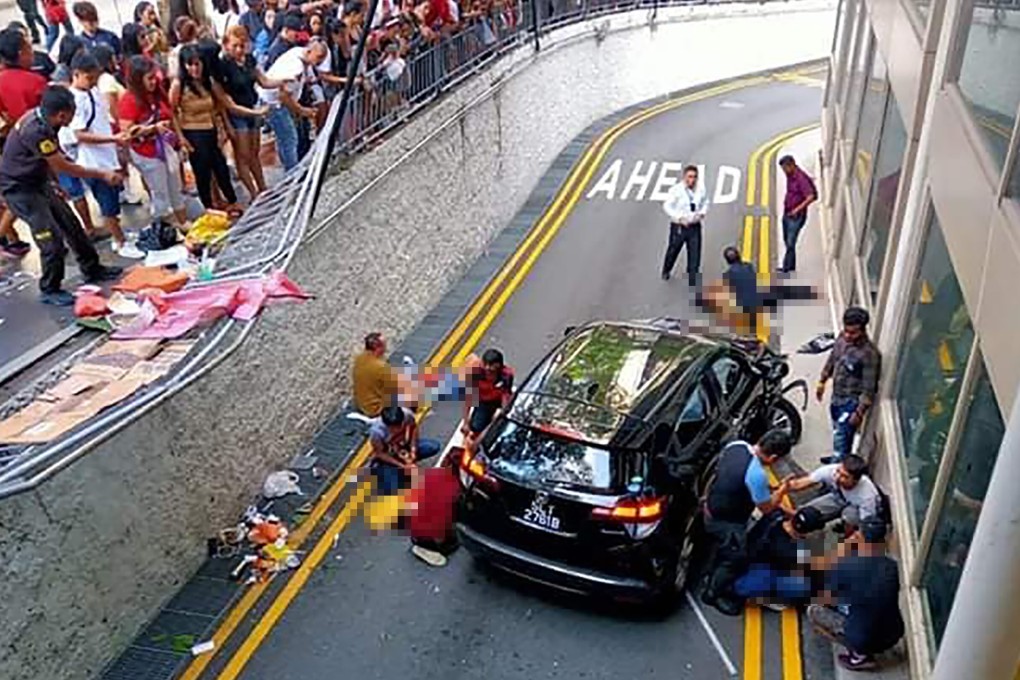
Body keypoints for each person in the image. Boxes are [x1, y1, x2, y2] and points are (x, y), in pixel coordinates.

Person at [0, 86, 123, 305]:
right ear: (62, 114)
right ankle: (50, 288)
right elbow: (63, 165)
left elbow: (52, 158)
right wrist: (102, 174)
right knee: (51, 238)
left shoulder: (46, 121)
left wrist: (55, 184)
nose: (73, 117)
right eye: (73, 112)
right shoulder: (36, 130)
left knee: (71, 225)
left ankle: (92, 268)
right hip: (19, 190)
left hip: (38, 182)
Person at [701, 429, 793, 615]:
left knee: (723, 549)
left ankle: (711, 572)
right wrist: (781, 491)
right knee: (734, 558)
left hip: (711, 507)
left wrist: (767, 488)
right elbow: (767, 508)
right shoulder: (756, 474)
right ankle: (712, 594)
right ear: (773, 457)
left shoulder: (736, 446)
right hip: (728, 522)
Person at [62, 53, 143, 258]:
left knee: (113, 198)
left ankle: (119, 234)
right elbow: (79, 134)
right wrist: (113, 140)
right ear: (76, 74)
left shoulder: (92, 92)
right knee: (106, 201)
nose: (93, 82)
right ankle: (120, 241)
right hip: (93, 161)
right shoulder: (76, 101)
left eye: (95, 77)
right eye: (89, 78)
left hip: (106, 155)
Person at [170, 44, 257, 214]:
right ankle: (209, 206)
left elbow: (220, 106)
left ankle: (231, 201)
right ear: (184, 66)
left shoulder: (207, 81)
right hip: (193, 131)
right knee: (202, 171)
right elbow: (172, 112)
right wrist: (181, 138)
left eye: (198, 64)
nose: (195, 69)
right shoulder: (179, 85)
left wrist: (222, 128)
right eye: (191, 65)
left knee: (221, 167)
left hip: (210, 128)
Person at [807, 521, 905, 671]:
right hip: (894, 633)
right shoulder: (892, 566)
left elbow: (824, 598)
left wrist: (845, 546)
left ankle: (858, 657)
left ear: (859, 537)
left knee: (814, 610)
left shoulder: (846, 565)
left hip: (863, 639)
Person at [119, 54, 189, 229]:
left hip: (166, 147)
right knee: (160, 192)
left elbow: (171, 115)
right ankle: (164, 228)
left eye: (154, 77)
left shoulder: (158, 92)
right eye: (149, 78)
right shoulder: (129, 101)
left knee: (175, 186)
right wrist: (152, 129)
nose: (154, 81)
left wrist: (181, 140)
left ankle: (183, 222)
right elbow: (127, 132)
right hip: (147, 153)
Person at [220, 25, 284, 199]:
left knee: (254, 152)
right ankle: (253, 192)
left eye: (242, 45)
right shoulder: (223, 65)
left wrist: (282, 80)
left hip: (253, 106)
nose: (239, 50)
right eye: (235, 46)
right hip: (238, 113)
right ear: (227, 45)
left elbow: (263, 80)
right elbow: (226, 102)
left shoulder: (249, 60)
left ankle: (262, 187)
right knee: (243, 155)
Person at [0, 26, 47, 257]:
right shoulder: (35, 81)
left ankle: (11, 237)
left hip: (12, 147)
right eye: (29, 48)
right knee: (25, 199)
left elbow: (4, 117)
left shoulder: (1, 81)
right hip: (35, 149)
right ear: (20, 53)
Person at [816, 307, 881, 463]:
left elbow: (869, 388)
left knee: (843, 437)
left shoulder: (869, 354)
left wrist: (858, 413)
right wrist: (822, 380)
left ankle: (836, 469)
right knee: (837, 431)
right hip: (836, 396)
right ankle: (837, 457)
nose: (847, 336)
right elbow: (833, 359)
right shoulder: (842, 339)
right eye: (846, 331)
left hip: (850, 403)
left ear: (863, 330)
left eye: (853, 333)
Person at [734, 506, 826, 609]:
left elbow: (778, 507)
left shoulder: (774, 515)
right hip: (762, 572)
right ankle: (771, 598)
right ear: (806, 532)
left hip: (745, 556)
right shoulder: (792, 552)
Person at [259, 40, 324, 171]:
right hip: (275, 104)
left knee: (286, 139)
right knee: (289, 139)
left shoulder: (300, 54)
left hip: (275, 101)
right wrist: (301, 110)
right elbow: (283, 96)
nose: (320, 62)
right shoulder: (296, 67)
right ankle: (292, 175)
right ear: (310, 51)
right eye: (319, 57)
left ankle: (291, 170)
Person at [783, 454, 885, 532]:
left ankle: (847, 531)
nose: (837, 477)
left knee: (849, 516)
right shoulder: (830, 471)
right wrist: (782, 488)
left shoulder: (867, 497)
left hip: (856, 509)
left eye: (844, 476)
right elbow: (801, 483)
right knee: (805, 512)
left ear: (856, 480)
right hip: (838, 498)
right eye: (838, 472)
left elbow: (866, 525)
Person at [368, 405, 441, 495]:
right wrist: (402, 465)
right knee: (389, 488)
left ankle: (405, 466)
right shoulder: (376, 432)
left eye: (399, 426)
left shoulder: (407, 414)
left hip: (403, 446)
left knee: (433, 447)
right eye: (393, 428)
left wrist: (413, 449)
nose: (397, 430)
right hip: (389, 454)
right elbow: (380, 453)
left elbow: (413, 428)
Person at [661, 164, 708, 286]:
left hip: (694, 226)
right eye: (689, 177)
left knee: (695, 253)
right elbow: (667, 206)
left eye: (694, 177)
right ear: (684, 177)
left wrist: (702, 213)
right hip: (679, 227)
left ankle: (693, 275)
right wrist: (679, 218)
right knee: (673, 250)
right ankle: (666, 270)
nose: (692, 180)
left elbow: (706, 201)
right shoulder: (676, 190)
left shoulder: (701, 189)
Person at [461, 348, 513, 449]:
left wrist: (502, 413)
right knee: (476, 426)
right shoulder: (476, 373)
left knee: (500, 427)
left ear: (499, 365)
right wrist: (465, 422)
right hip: (484, 401)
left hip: (498, 400)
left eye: (491, 366)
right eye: (486, 365)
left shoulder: (507, 375)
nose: (488, 368)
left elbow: (505, 395)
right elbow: (468, 398)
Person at [778, 155, 817, 274]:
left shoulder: (800, 178)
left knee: (790, 242)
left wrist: (797, 209)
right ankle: (791, 266)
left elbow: (811, 197)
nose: (783, 171)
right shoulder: (790, 175)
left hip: (796, 216)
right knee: (787, 240)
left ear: (791, 165)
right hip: (787, 212)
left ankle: (786, 268)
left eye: (784, 168)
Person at [352, 331, 399, 417]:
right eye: (385, 344)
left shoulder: (359, 358)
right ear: (379, 347)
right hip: (377, 409)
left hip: (362, 405)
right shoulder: (382, 367)